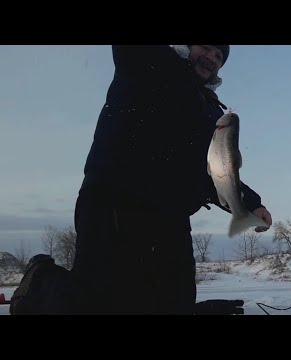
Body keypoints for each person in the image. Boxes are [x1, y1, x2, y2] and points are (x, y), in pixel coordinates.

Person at [10, 45, 272, 315]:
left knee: (174, 303)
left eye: (219, 57)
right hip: (116, 201)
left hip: (171, 217)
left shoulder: (209, 112)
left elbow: (214, 173)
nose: (212, 59)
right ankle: (40, 284)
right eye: (205, 48)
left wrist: (251, 205)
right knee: (99, 303)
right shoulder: (151, 62)